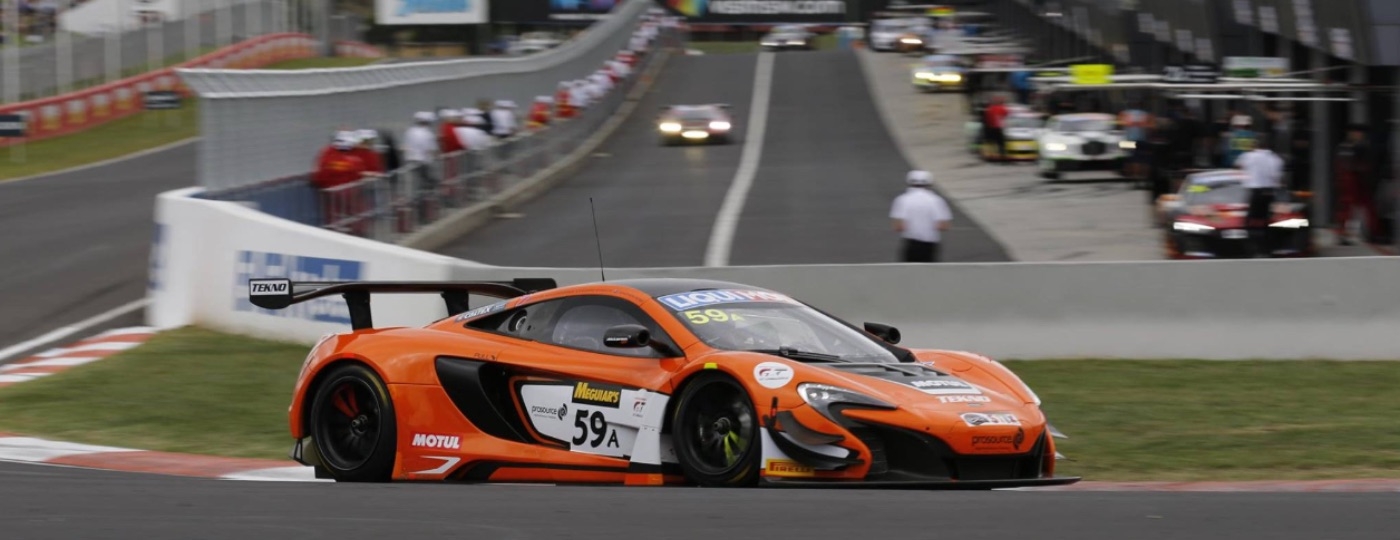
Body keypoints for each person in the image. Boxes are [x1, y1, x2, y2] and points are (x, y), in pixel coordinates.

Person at [1234, 134, 1284, 257]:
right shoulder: (1276, 159)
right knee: (1266, 219)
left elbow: (1238, 165)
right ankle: (1267, 247)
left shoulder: (1249, 156)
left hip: (1255, 192)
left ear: (1255, 145)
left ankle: (1251, 248)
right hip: (1269, 193)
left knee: (1250, 221)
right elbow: (1277, 176)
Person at [890, 170, 953, 263]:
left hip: (911, 244)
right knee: (930, 273)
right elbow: (943, 226)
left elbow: (898, 227)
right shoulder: (936, 200)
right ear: (930, 183)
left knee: (909, 274)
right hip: (931, 244)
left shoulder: (902, 200)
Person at [312, 133, 371, 232]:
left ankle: (336, 231)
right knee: (356, 212)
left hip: (329, 190)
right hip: (348, 191)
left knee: (333, 215)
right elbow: (357, 173)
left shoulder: (327, 153)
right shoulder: (352, 159)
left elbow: (322, 172)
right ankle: (358, 232)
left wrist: (318, 183)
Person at [1333, 124, 1376, 245]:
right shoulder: (1346, 148)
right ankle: (1346, 234)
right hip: (1350, 184)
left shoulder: (1362, 147)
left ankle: (1364, 233)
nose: (1359, 135)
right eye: (1356, 133)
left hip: (1359, 184)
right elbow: (1347, 166)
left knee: (1362, 209)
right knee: (1348, 209)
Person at [1118, 102, 1153, 183]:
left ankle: (1131, 176)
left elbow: (1119, 126)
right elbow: (1151, 128)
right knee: (1143, 158)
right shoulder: (1146, 114)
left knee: (1128, 158)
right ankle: (1143, 176)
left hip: (1127, 140)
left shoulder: (1124, 114)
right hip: (1142, 140)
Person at [982, 95, 1009, 163]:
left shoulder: (990, 109)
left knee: (992, 143)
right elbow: (1006, 114)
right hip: (998, 127)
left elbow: (987, 119)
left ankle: (992, 156)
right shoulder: (1002, 108)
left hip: (991, 128)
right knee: (1001, 144)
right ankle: (1002, 157)